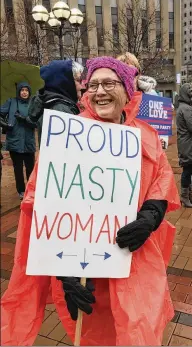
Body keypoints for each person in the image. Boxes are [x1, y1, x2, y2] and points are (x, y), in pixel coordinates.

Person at [1, 57, 181, 346]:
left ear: (126, 90)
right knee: (93, 335)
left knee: (139, 330)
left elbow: (162, 178)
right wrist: (64, 271)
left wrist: (151, 214)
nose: (99, 91)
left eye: (109, 83)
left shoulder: (144, 135)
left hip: (134, 261)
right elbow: (40, 201)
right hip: (82, 267)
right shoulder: (67, 135)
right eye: (93, 85)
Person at [27, 60, 83, 145]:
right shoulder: (60, 110)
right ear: (65, 83)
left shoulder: (55, 105)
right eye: (78, 80)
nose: (82, 86)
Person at [0, 82, 36, 199]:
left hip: (28, 142)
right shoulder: (11, 101)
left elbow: (36, 122)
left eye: (26, 90)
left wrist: (24, 119)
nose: (24, 92)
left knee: (30, 169)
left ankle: (31, 191)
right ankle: (21, 191)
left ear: (29, 92)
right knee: (18, 169)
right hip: (14, 141)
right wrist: (5, 124)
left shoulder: (33, 103)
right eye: (22, 90)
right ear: (18, 91)